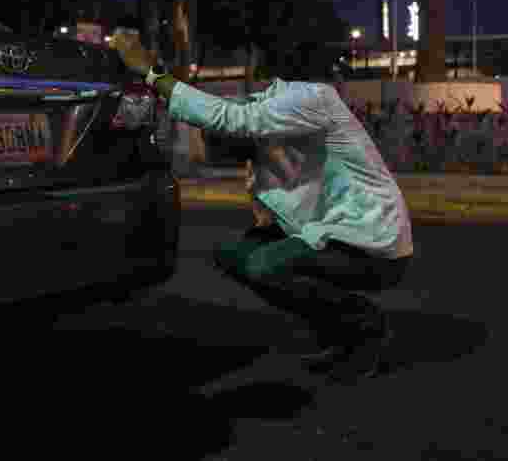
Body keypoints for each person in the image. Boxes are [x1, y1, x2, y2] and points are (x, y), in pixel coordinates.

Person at [109, 31, 414, 384]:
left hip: (372, 239)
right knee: (235, 253)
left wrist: (152, 73)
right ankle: (339, 332)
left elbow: (228, 118)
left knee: (264, 264)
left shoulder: (311, 98)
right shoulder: (269, 126)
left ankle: (364, 326)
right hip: (333, 233)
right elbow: (229, 123)